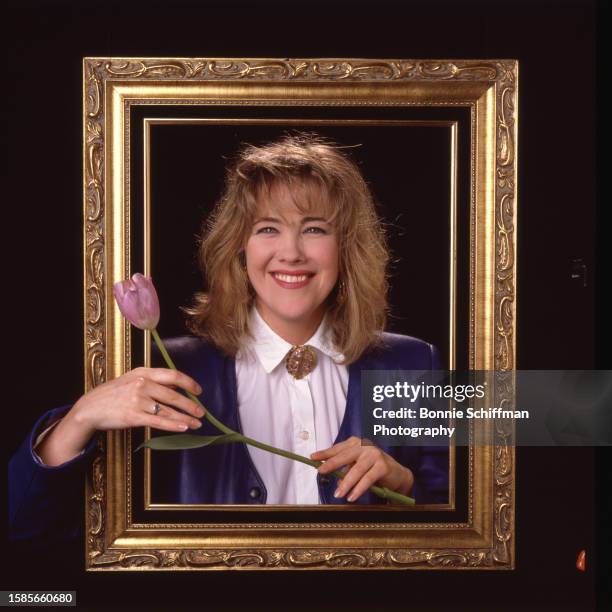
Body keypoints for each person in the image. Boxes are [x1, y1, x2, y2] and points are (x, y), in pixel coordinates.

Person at [9, 133, 448, 545]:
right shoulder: (167, 373)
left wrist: (402, 480)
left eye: (315, 229)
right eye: (268, 228)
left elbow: (493, 519)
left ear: (346, 246)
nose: (291, 252)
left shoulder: (414, 361)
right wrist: (80, 417)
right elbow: (24, 524)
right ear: (239, 247)